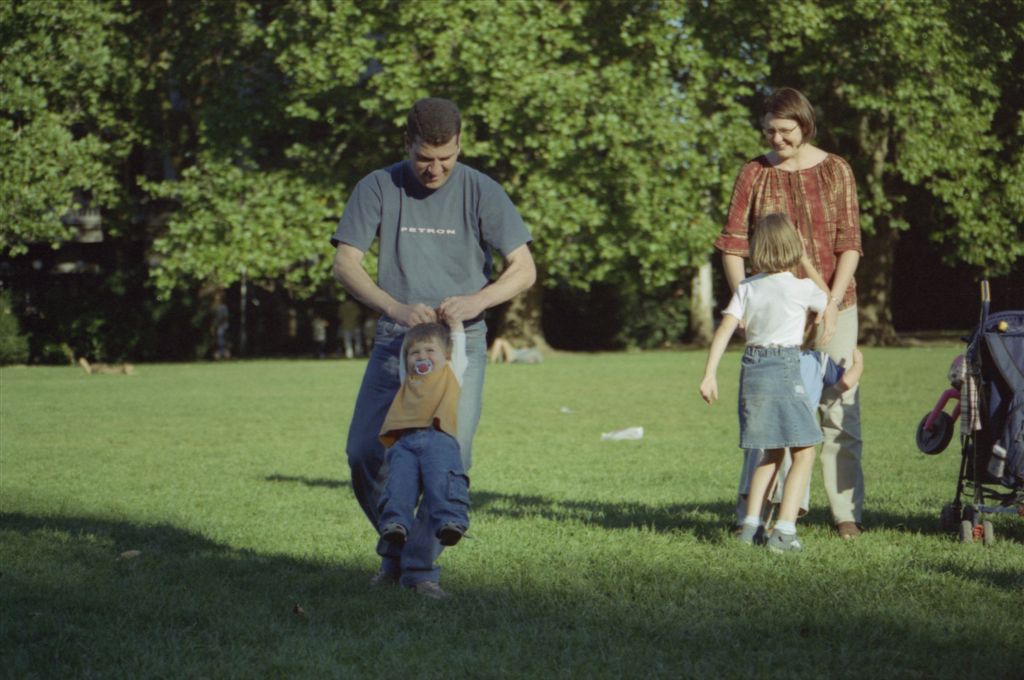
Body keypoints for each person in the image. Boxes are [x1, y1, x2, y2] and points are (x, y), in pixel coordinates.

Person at [331, 97, 536, 599]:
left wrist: (477, 300)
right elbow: (346, 263)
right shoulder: (378, 186)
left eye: (447, 157)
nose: (436, 169)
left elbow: (524, 268)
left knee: (449, 457)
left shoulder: (481, 190)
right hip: (397, 339)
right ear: (408, 143)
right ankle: (400, 549)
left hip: (459, 342)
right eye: (425, 158)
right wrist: (394, 307)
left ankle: (415, 566)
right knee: (365, 453)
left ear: (460, 145)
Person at [715, 86, 865, 540]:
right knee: (771, 414)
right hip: (775, 311)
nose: (776, 139)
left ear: (806, 125)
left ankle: (846, 513)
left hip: (835, 303)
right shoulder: (754, 173)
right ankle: (764, 512)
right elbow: (733, 245)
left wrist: (832, 304)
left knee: (838, 408)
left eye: (785, 131)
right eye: (770, 131)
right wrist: (745, 303)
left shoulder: (836, 169)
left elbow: (849, 243)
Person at [700, 213, 829, 553]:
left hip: (753, 369)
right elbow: (828, 298)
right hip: (785, 368)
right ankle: (784, 532)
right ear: (793, 247)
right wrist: (806, 261)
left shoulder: (747, 287)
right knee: (805, 452)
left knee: (769, 452)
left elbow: (725, 329)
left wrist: (710, 374)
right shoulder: (802, 288)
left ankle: (751, 527)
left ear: (757, 249)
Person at [378, 320, 470, 550]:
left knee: (442, 481)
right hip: (404, 442)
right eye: (415, 353)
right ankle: (396, 524)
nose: (422, 356)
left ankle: (451, 522)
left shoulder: (451, 371)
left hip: (438, 438)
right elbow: (405, 352)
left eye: (430, 350)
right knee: (399, 484)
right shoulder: (407, 379)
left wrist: (456, 325)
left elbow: (458, 346)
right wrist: (412, 327)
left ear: (446, 356)